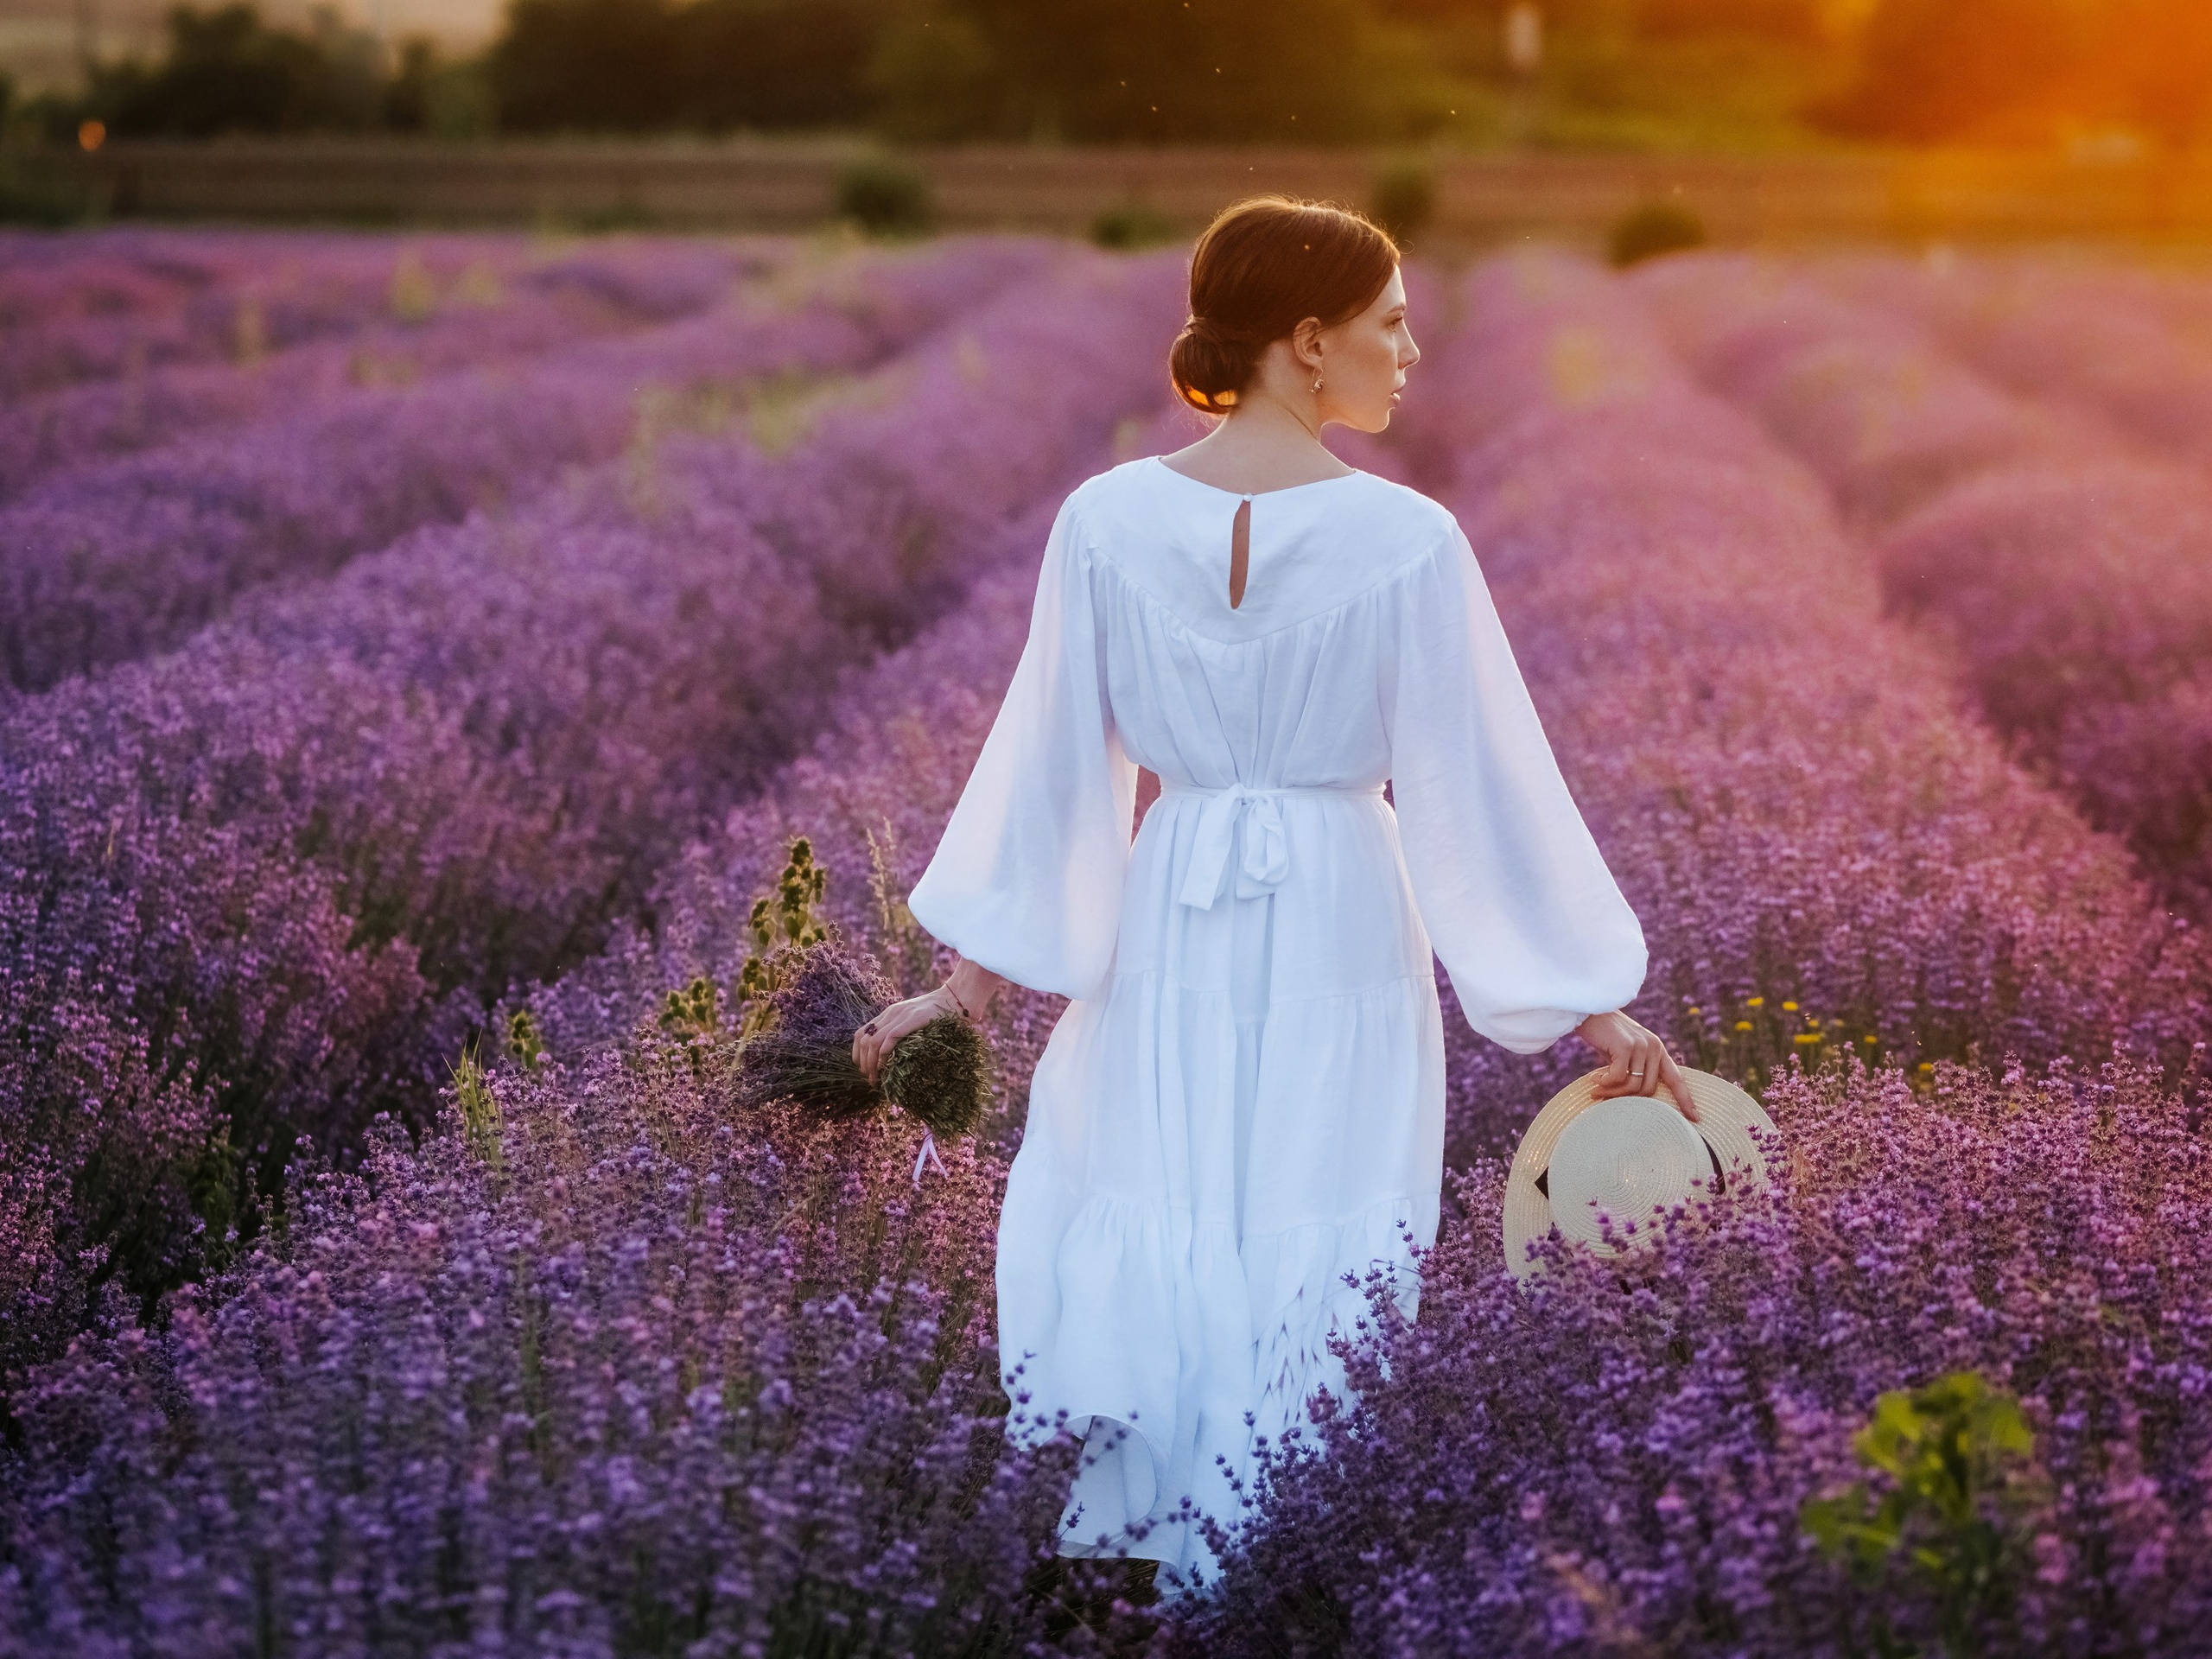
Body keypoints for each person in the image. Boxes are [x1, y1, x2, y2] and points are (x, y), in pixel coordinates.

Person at [850, 195, 1694, 1602]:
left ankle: (1165, 1582)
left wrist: (965, 987)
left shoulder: (1105, 519)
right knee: (1325, 1221)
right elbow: (1471, 794)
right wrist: (1589, 1008)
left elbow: (1053, 776)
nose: (1413, 347)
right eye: (1389, 322)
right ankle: (1275, 1578)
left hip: (1166, 907)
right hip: (1342, 916)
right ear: (1308, 342)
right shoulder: (1410, 540)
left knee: (1166, 1198)